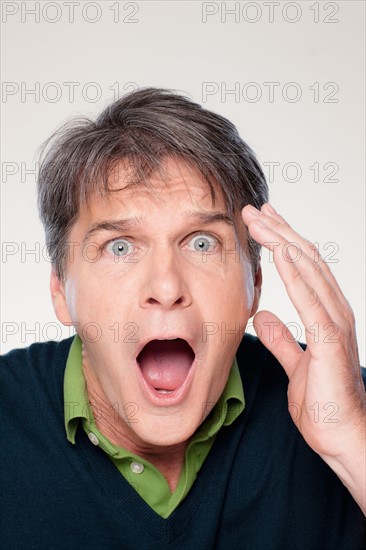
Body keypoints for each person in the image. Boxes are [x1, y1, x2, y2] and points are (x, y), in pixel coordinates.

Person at [1, 87, 365, 549]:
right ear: (60, 290)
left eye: (202, 243)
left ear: (254, 280)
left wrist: (351, 442)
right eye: (120, 247)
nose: (167, 288)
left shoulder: (347, 406)